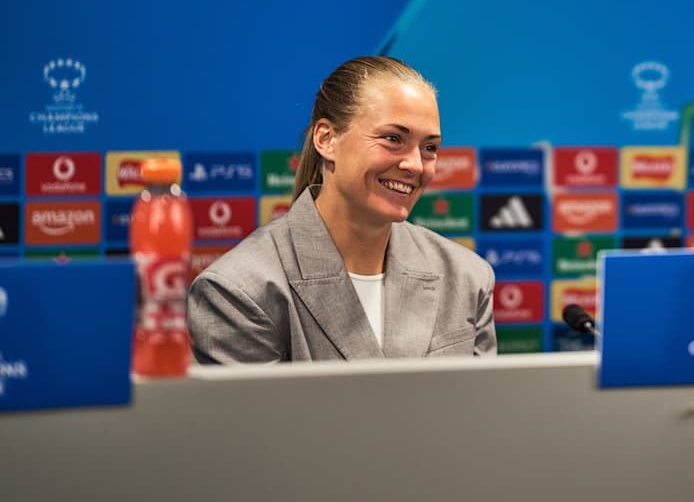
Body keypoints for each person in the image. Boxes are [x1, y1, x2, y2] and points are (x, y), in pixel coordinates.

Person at [188, 56, 496, 362]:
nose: (415, 165)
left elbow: (483, 410)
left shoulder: (468, 278)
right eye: (393, 139)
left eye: (429, 148)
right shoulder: (238, 292)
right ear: (327, 139)